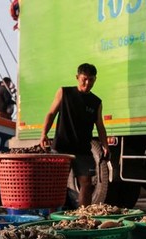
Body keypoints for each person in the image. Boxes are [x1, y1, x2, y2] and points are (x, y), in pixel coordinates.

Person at [39, 63, 109, 207]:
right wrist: (43, 134)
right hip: (61, 147)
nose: (88, 83)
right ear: (77, 77)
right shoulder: (64, 93)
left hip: (83, 149)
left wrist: (105, 145)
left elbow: (100, 126)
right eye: (84, 79)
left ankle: (83, 215)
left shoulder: (96, 102)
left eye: (92, 80)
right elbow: (51, 113)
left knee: (87, 183)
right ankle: (53, 217)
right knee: (57, 184)